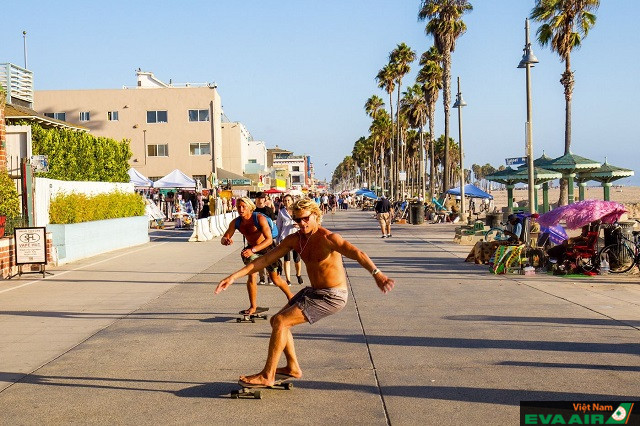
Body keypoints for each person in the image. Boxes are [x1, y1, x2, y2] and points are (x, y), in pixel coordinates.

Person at [215, 199, 394, 387]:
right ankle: (292, 367)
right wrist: (233, 277)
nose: (302, 224)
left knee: (281, 322)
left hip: (332, 295)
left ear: (316, 216)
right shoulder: (295, 239)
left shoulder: (329, 238)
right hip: (314, 291)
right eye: (297, 220)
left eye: (305, 219)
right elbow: (266, 259)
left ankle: (268, 375)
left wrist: (377, 274)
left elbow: (358, 254)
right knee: (277, 320)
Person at [220, 197, 293, 315]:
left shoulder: (259, 218)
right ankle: (253, 307)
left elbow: (269, 240)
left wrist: (253, 250)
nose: (241, 209)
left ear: (250, 207)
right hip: (251, 250)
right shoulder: (236, 222)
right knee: (252, 275)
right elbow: (225, 237)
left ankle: (291, 299)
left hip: (267, 249)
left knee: (275, 279)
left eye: (244, 206)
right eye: (239, 207)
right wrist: (226, 240)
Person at [276, 194, 304, 285]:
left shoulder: (297, 211)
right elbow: (279, 226)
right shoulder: (281, 212)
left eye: (288, 200)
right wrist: (277, 239)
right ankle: (288, 280)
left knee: (297, 259)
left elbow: (303, 223)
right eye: (285, 201)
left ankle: (298, 274)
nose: (287, 202)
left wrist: (298, 225)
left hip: (296, 237)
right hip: (285, 238)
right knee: (286, 259)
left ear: (292, 201)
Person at [254, 192, 278, 285]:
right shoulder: (253, 210)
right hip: (256, 238)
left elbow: (273, 224)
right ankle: (262, 278)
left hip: (267, 237)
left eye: (262, 198)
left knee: (268, 257)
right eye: (258, 198)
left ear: (265, 199)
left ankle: (270, 276)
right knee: (258, 258)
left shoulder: (269, 210)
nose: (260, 200)